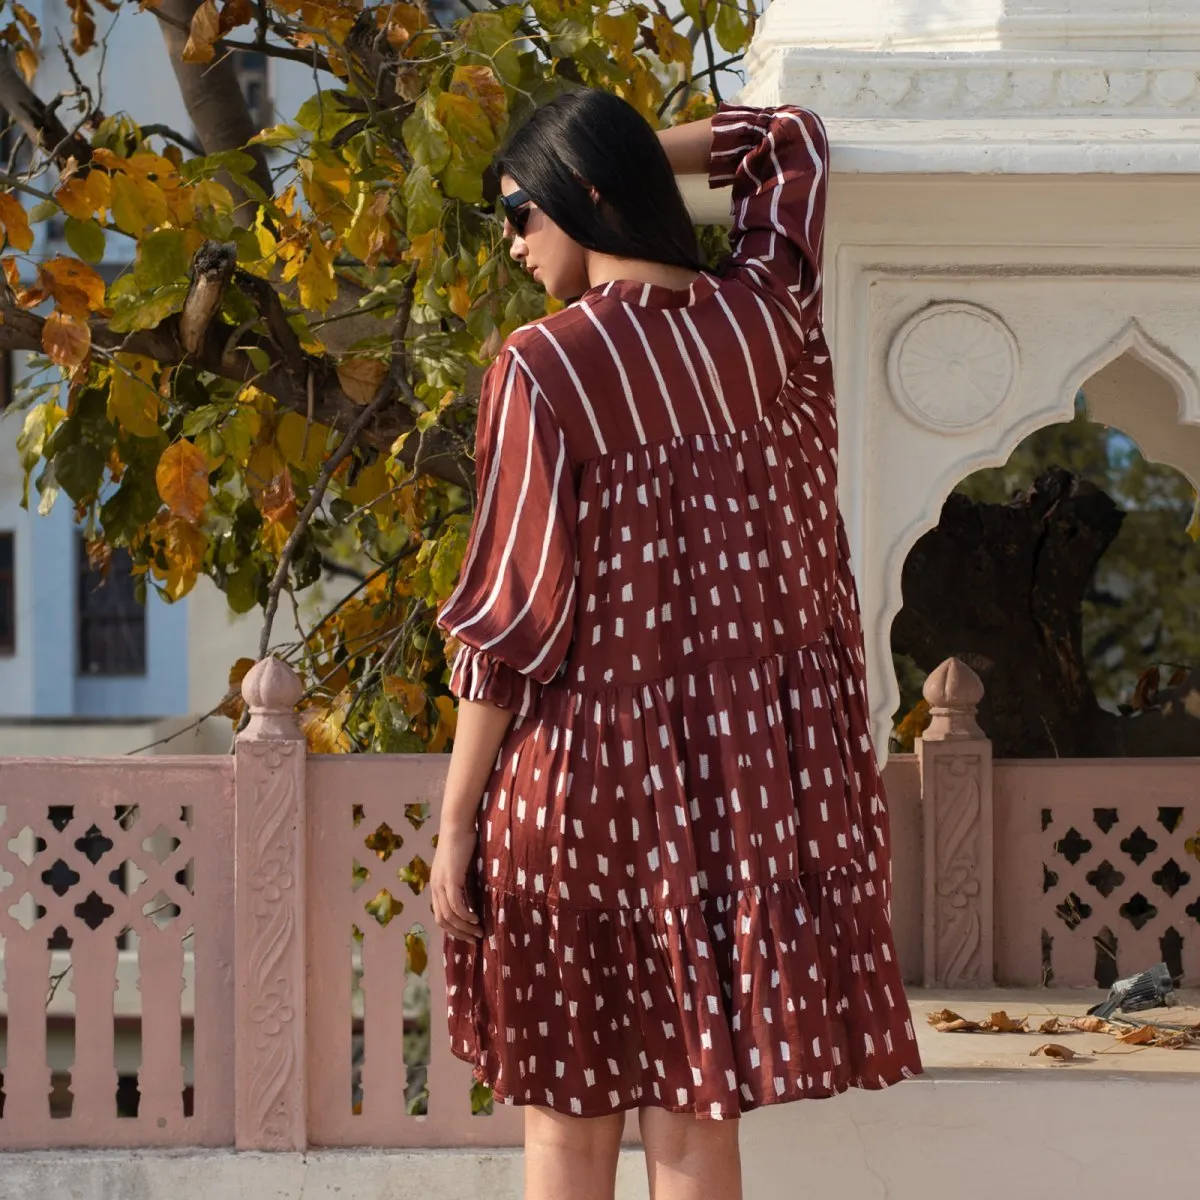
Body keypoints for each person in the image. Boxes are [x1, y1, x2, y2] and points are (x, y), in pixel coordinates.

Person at [430, 88, 922, 1200]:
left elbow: (511, 624)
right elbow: (787, 141)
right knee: (698, 1119)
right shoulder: (763, 319)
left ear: (583, 198)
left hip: (581, 797)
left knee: (569, 1124)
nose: (512, 240)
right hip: (735, 796)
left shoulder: (541, 369)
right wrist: (613, 160)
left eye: (521, 210)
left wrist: (456, 823)